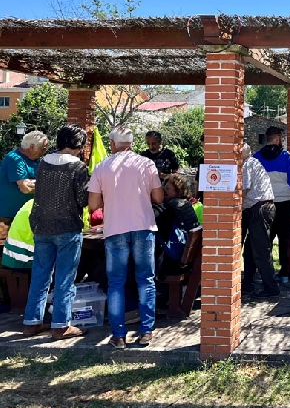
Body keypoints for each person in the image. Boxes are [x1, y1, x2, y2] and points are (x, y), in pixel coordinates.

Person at [88, 125, 163, 349]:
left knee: (116, 283)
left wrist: (107, 199)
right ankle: (146, 331)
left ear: (112, 143)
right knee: (145, 280)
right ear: (131, 143)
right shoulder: (146, 163)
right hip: (143, 226)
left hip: (115, 229)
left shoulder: (102, 167)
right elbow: (158, 197)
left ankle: (118, 334)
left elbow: (93, 205)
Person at [23, 125, 89, 339]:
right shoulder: (78, 167)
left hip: (41, 224)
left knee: (40, 276)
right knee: (64, 277)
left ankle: (32, 322)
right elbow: (82, 200)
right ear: (78, 145)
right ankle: (61, 325)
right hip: (67, 226)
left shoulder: (43, 163)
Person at [254, 126, 290, 283]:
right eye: (281, 138)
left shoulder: (256, 158)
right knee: (284, 239)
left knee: (264, 240)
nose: (283, 141)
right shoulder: (286, 156)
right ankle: (284, 273)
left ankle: (265, 272)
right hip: (284, 203)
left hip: (264, 204)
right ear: (277, 138)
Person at [241, 143, 279, 298]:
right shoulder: (254, 162)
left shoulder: (246, 165)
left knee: (261, 251)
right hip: (262, 208)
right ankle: (247, 284)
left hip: (259, 209)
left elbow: (243, 190)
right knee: (250, 250)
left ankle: (271, 288)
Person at [153, 173, 199, 279]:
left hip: (175, 261)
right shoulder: (186, 204)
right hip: (186, 259)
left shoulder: (172, 206)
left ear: (178, 191)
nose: (164, 190)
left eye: (168, 188)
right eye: (164, 186)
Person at [0, 131, 48, 224]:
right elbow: (25, 188)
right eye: (43, 148)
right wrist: (47, 185)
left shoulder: (36, 160)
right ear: (32, 147)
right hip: (8, 215)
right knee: (4, 238)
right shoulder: (14, 158)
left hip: (26, 214)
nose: (44, 151)